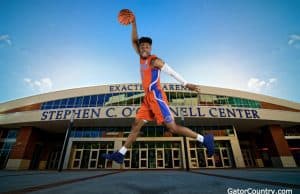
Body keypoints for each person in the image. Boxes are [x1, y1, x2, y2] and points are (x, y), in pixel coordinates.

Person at [102, 17, 214, 164]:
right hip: (147, 99)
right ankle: (121, 153)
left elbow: (170, 71)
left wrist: (186, 84)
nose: (143, 48)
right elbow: (134, 41)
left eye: (147, 46)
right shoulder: (141, 58)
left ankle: (204, 139)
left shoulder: (154, 60)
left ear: (150, 48)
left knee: (172, 128)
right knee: (136, 124)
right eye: (142, 46)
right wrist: (134, 23)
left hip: (157, 97)